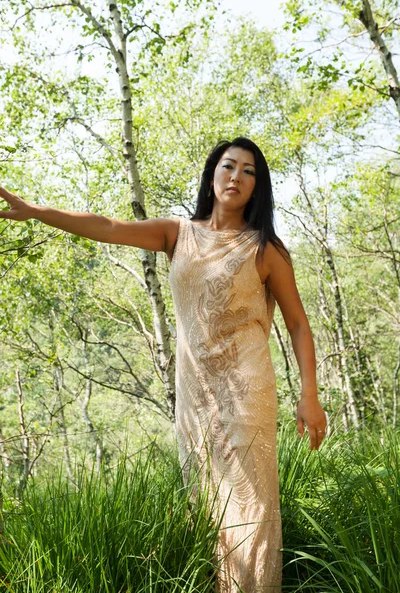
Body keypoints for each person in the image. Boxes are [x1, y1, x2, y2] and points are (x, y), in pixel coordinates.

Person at [0, 136, 327, 592]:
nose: (236, 177)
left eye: (249, 171)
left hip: (247, 390)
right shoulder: (178, 233)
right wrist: (39, 212)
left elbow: (297, 324)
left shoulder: (265, 248)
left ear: (258, 186)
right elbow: (109, 226)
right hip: (195, 396)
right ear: (212, 174)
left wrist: (308, 397)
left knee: (249, 507)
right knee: (206, 505)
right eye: (229, 166)